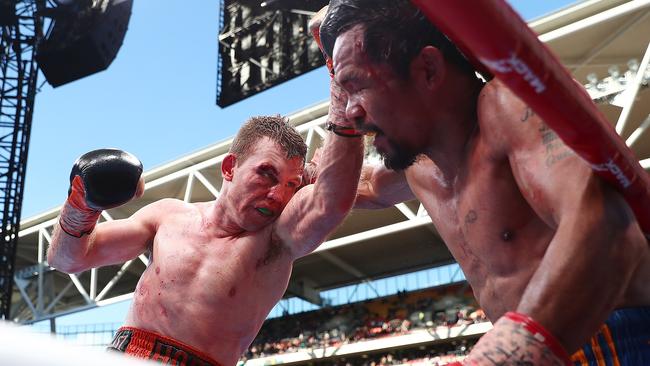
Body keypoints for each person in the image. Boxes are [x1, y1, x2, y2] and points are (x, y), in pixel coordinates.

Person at [315, 0, 650, 365]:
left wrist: (500, 355)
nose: (352, 111)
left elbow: (610, 228)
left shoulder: (507, 106)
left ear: (428, 69)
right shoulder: (416, 164)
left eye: (357, 86)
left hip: (610, 333)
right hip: (534, 347)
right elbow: (344, 190)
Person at [47, 115, 364, 366]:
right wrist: (81, 206)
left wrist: (344, 96)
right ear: (230, 167)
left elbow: (330, 203)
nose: (279, 195)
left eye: (291, 184)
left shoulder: (277, 239)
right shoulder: (167, 216)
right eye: (266, 174)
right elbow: (67, 260)